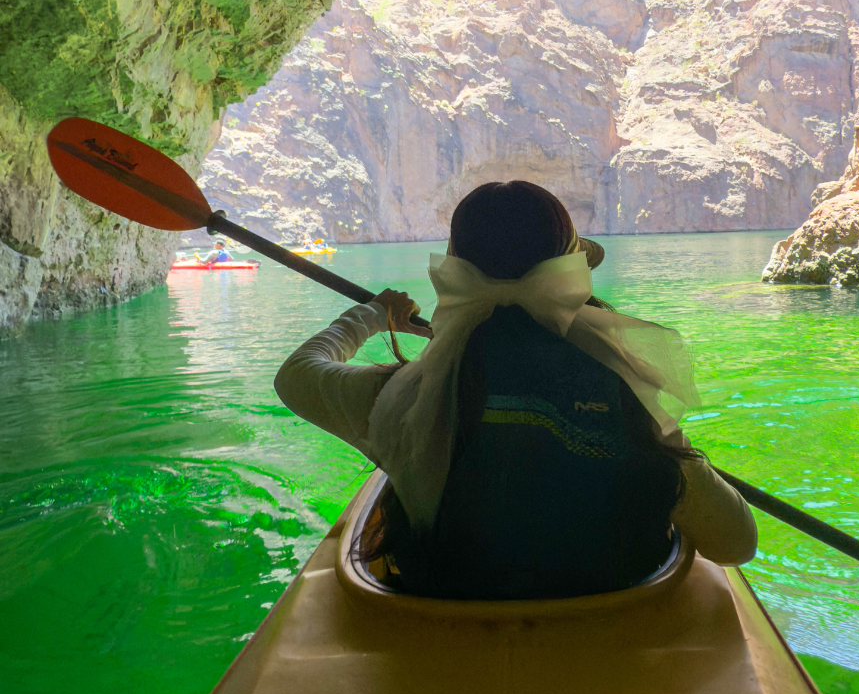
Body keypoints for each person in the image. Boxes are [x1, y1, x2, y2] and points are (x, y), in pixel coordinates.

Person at [274, 182, 756, 600]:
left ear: (458, 275)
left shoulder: (400, 400)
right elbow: (737, 543)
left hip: (441, 631)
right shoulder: (627, 395)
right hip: (607, 634)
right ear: (568, 275)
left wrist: (374, 315)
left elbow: (296, 374)